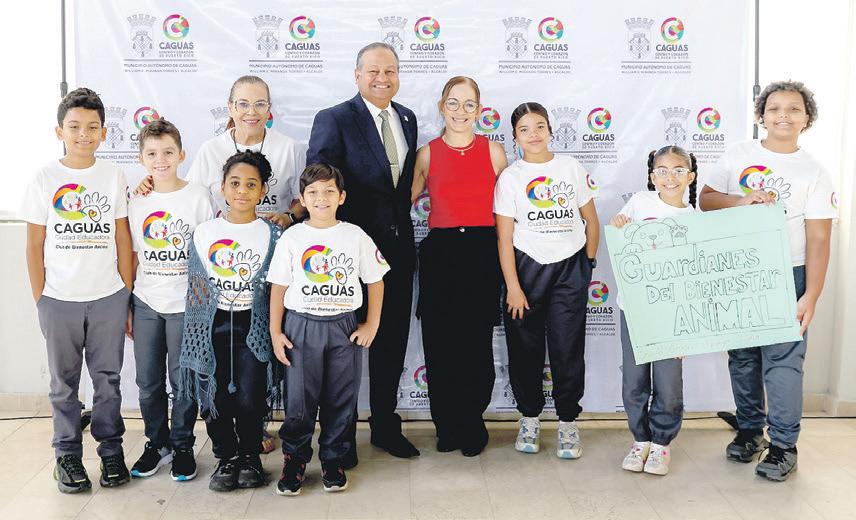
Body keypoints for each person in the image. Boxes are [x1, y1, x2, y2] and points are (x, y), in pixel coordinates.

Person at [699, 81, 836, 481]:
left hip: (788, 272)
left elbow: (819, 238)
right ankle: (749, 430)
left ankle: (783, 446)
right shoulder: (739, 154)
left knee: (783, 361)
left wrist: (811, 294)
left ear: (807, 118)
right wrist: (740, 200)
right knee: (742, 356)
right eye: (774, 108)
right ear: (761, 115)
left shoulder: (814, 171)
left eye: (793, 109)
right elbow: (706, 199)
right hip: (739, 270)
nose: (783, 116)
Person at [307, 42, 419, 463]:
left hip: (397, 252)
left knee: (391, 341)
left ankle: (386, 427)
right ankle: (339, 438)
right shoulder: (334, 118)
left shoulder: (406, 118)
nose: (381, 78)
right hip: (348, 253)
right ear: (357, 76)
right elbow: (318, 179)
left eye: (390, 71)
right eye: (373, 71)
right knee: (343, 348)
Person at [21, 87, 133, 492]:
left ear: (103, 132)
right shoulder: (45, 178)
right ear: (60, 131)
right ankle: (67, 456)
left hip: (107, 297)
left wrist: (125, 293)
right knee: (63, 384)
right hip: (59, 300)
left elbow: (122, 237)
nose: (83, 134)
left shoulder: (113, 175)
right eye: (74, 127)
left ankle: (111, 451)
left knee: (108, 381)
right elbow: (34, 244)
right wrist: (42, 299)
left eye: (92, 127)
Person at [268, 163, 388, 495]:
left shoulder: (355, 235)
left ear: (342, 197)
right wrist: (276, 332)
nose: (321, 198)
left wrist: (372, 323)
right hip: (301, 327)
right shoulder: (293, 237)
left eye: (329, 191)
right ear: (302, 198)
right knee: (299, 401)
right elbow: (278, 287)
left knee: (340, 399)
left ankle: (333, 459)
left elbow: (376, 281)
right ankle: (294, 460)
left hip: (343, 328)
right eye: (313, 192)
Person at [493, 102, 599, 459]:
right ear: (515, 137)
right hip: (526, 269)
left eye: (539, 126)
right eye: (524, 129)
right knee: (525, 349)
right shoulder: (511, 177)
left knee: (567, 349)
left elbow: (591, 220)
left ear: (550, 129)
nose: (534, 134)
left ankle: (568, 422)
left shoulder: (570, 167)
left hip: (570, 268)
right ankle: (529, 418)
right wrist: (513, 286)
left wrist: (587, 263)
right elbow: (504, 238)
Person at [410, 76, 507, 456]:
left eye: (469, 104)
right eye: (453, 103)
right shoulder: (427, 154)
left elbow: (510, 210)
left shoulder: (494, 152)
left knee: (476, 343)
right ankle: (446, 425)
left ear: (479, 110)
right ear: (441, 107)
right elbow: (401, 203)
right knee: (440, 344)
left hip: (482, 252)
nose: (460, 111)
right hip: (442, 253)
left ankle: (471, 422)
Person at [178, 151, 281, 492]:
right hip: (212, 325)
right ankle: (227, 456)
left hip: (254, 324)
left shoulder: (273, 235)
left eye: (251, 184)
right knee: (216, 398)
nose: (242, 191)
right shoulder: (204, 233)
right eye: (235, 183)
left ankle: (250, 455)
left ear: (262, 190)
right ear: (222, 187)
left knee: (251, 396)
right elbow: (196, 289)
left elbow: (278, 288)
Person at [127, 119, 213, 481]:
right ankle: (157, 443)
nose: (160, 160)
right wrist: (128, 306)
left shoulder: (198, 196)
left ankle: (182, 445)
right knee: (148, 381)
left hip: (186, 305)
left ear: (181, 154)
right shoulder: (137, 199)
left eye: (167, 152)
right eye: (151, 154)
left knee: (183, 381)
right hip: (146, 301)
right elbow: (132, 254)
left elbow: (207, 256)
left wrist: (202, 308)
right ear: (141, 158)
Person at [611, 145, 698, 475]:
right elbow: (620, 241)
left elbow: (698, 274)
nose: (669, 177)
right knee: (634, 380)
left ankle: (661, 444)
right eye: (662, 171)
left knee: (668, 383)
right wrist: (619, 224)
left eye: (678, 170)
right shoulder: (639, 203)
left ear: (690, 176)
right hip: (635, 309)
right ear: (652, 176)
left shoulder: (695, 220)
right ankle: (640, 440)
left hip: (673, 315)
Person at [137, 75, 305, 228]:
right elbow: (186, 193)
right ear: (230, 108)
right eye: (243, 104)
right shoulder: (211, 150)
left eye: (260, 104)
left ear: (269, 110)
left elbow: (307, 198)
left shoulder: (290, 149)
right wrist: (154, 181)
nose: (251, 112)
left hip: (275, 241)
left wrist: (288, 217)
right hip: (224, 244)